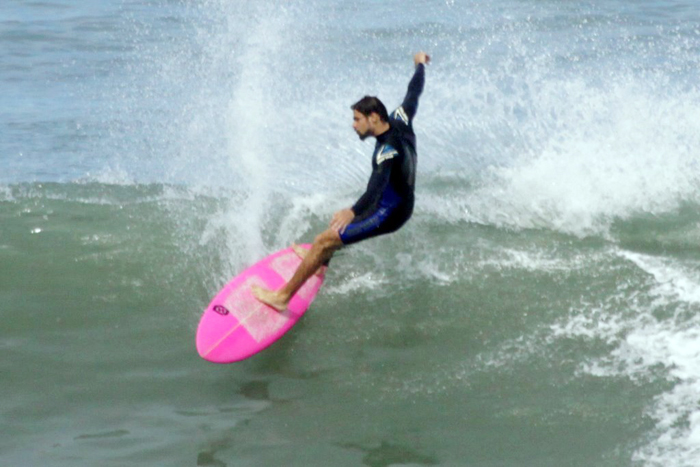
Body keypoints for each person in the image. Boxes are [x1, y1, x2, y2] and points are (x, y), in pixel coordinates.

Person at [253, 51, 430, 311]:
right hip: (398, 200)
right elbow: (414, 92)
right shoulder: (401, 118)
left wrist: (353, 211)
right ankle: (320, 263)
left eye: (357, 119)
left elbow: (375, 188)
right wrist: (420, 66)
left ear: (374, 118)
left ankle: (282, 297)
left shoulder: (386, 152)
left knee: (326, 238)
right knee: (331, 232)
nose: (353, 125)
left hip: (390, 212)